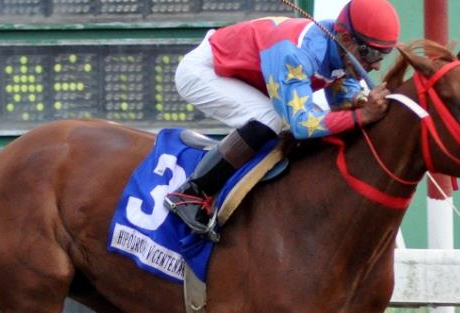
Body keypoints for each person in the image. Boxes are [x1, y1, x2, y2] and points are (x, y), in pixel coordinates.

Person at [165, 0, 400, 235]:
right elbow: (302, 124)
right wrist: (364, 113)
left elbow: (344, 103)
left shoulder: (339, 49)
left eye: (383, 55)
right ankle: (191, 193)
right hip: (205, 71)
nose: (377, 66)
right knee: (271, 120)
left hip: (245, 78)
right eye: (370, 53)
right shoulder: (296, 52)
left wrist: (365, 104)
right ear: (346, 40)